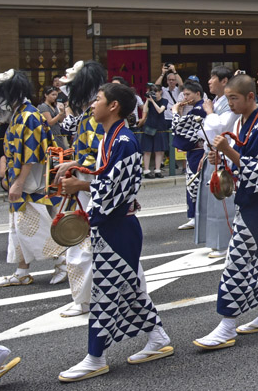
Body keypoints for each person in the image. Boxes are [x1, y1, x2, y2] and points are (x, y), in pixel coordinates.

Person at [57, 83, 172, 381]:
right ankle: (157, 337)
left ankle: (96, 357)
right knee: (130, 288)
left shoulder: (123, 139)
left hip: (119, 226)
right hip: (114, 224)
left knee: (105, 293)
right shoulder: (113, 136)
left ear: (113, 107)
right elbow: (107, 174)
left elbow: (117, 189)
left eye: (97, 100)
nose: (92, 105)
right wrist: (78, 165)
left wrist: (81, 185)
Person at [193, 75, 258, 350]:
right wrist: (220, 157)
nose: (229, 103)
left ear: (250, 97)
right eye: (227, 98)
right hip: (249, 198)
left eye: (234, 98)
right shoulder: (243, 122)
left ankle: (227, 325)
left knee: (236, 259)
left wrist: (228, 151)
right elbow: (241, 163)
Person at [0, 69, 67, 288]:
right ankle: (22, 271)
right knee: (19, 227)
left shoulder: (28, 116)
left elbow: (32, 154)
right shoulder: (20, 114)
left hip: (33, 183)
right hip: (24, 181)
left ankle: (63, 261)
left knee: (37, 226)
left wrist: (17, 182)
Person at [53, 61, 108, 318]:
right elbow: (88, 154)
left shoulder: (96, 115)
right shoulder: (88, 114)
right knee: (86, 245)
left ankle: (86, 299)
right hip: (88, 185)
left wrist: (77, 171)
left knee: (86, 245)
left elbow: (99, 159)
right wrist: (73, 164)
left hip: (93, 188)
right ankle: (87, 298)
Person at [196, 66, 236, 258]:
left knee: (223, 200)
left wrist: (210, 113)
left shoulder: (228, 104)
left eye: (213, 78)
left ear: (224, 81)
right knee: (213, 200)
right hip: (213, 154)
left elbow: (221, 127)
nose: (209, 81)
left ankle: (225, 243)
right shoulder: (218, 101)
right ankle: (216, 241)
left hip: (225, 155)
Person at [172, 80, 207, 231]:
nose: (185, 98)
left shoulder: (199, 109)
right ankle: (194, 215)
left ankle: (196, 216)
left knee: (195, 184)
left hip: (198, 151)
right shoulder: (195, 108)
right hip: (195, 151)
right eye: (184, 94)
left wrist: (174, 111)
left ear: (198, 94)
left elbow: (178, 126)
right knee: (193, 184)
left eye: (188, 94)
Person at [138, 85, 168, 179]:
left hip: (160, 127)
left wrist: (153, 101)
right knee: (147, 150)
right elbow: (144, 110)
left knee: (159, 150)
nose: (155, 93)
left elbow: (160, 110)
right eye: (152, 92)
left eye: (156, 91)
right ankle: (146, 170)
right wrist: (147, 100)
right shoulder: (150, 101)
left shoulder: (164, 101)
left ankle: (157, 170)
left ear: (160, 92)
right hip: (149, 127)